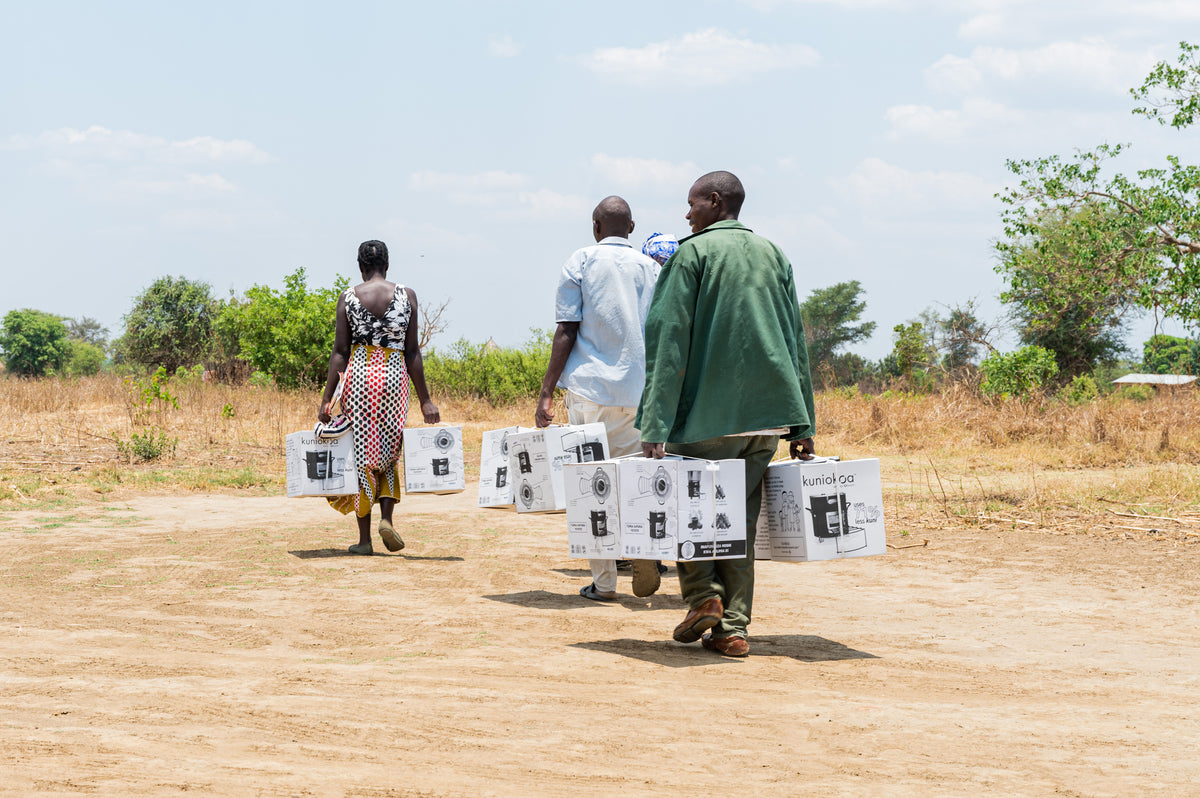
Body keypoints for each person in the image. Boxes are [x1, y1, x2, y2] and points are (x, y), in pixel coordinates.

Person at [636, 171, 816, 657]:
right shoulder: (773, 254)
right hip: (767, 419)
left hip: (705, 419)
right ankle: (732, 629)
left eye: (692, 204)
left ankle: (703, 599)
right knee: (738, 521)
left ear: (714, 202)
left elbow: (668, 342)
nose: (687, 213)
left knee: (689, 512)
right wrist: (804, 424)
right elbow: (794, 341)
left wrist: (655, 423)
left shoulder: (691, 255)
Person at [536, 196, 662, 601]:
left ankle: (604, 583)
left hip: (590, 390)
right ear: (632, 227)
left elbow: (566, 330)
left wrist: (546, 392)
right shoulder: (651, 268)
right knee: (633, 480)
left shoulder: (581, 261)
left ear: (595, 226)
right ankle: (640, 549)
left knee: (591, 486)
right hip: (639, 392)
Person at [318, 240, 440, 555]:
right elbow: (412, 352)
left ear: (361, 267)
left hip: (359, 380)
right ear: (386, 265)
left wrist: (327, 399)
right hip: (393, 379)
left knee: (360, 454)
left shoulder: (348, 297)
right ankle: (387, 519)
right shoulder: (407, 295)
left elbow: (340, 352)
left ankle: (364, 540)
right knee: (389, 451)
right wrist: (425, 400)